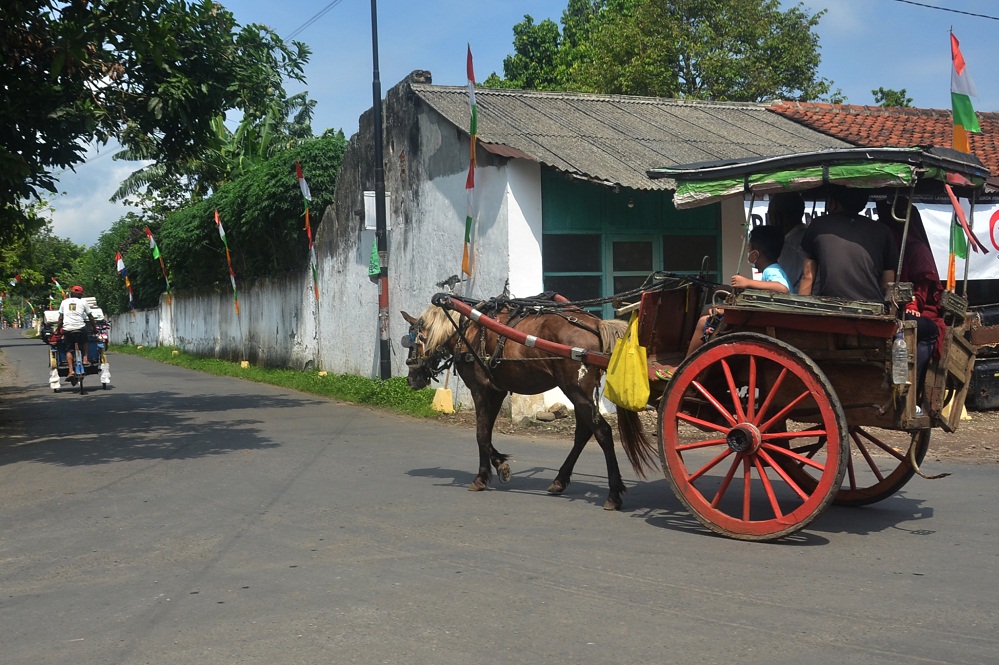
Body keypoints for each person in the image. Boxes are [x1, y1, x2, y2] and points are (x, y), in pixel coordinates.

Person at [876, 199, 945, 397]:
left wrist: (912, 302)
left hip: (920, 308)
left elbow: (922, 287)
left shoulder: (916, 248)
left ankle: (913, 386)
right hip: (891, 304)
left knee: (927, 329)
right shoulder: (885, 241)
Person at [687, 225, 790, 355]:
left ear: (755, 254)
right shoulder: (771, 270)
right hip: (764, 319)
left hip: (764, 323)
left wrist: (747, 282)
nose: (747, 250)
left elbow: (782, 289)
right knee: (711, 312)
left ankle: (685, 366)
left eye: (749, 247)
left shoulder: (772, 270)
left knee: (703, 322)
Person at [798, 185, 898, 301]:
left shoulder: (818, 225)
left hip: (831, 306)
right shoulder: (883, 231)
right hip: (874, 308)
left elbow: (808, 276)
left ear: (833, 202)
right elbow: (887, 283)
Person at [767, 192, 807, 293]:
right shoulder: (806, 234)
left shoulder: (790, 244)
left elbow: (781, 285)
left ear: (777, 217)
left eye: (770, 215)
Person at [57, 285, 97, 384]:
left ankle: (71, 371)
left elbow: (61, 318)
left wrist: (58, 329)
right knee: (85, 341)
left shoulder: (64, 302)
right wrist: (94, 328)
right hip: (80, 328)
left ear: (71, 293)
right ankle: (85, 359)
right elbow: (90, 317)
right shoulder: (83, 302)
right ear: (81, 294)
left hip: (68, 329)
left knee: (69, 350)